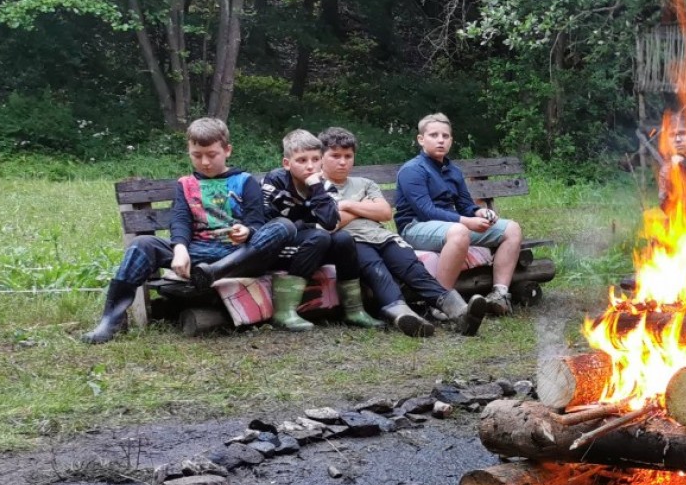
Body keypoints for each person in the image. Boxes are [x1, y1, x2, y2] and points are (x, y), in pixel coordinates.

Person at [82, 118, 300, 343]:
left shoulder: (245, 181)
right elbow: (180, 221)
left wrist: (247, 231)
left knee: (283, 227)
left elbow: (256, 222)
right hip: (200, 257)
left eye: (212, 154)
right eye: (197, 155)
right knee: (143, 244)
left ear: (227, 151)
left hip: (241, 256)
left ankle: (214, 272)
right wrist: (180, 249)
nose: (204, 162)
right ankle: (112, 320)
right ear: (189, 152)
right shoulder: (185, 184)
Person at [318, 127, 483, 338]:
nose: (343, 162)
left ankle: (460, 312)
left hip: (383, 237)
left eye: (348, 156)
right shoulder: (317, 187)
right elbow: (330, 224)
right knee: (377, 271)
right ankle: (402, 314)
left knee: (412, 267)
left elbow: (385, 212)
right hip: (353, 242)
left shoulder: (365, 183)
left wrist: (347, 205)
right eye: (335, 156)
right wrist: (364, 207)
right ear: (321, 157)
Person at [393, 113, 525, 315]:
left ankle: (499, 295)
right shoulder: (412, 170)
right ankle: (439, 303)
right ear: (421, 139)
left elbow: (465, 204)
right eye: (434, 135)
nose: (440, 140)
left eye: (445, 136)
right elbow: (425, 211)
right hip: (415, 227)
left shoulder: (452, 170)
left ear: (451, 140)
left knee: (511, 229)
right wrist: (466, 221)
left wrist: (480, 211)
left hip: (451, 227)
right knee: (460, 232)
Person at [260, 130, 380, 332]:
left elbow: (331, 222)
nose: (310, 166)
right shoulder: (275, 181)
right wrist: (307, 227)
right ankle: (284, 311)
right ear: (287, 163)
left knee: (343, 238)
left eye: (316, 159)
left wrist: (315, 186)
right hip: (278, 248)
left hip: (312, 245)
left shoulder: (323, 184)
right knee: (320, 236)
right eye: (302, 160)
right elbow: (267, 223)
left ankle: (354, 310)